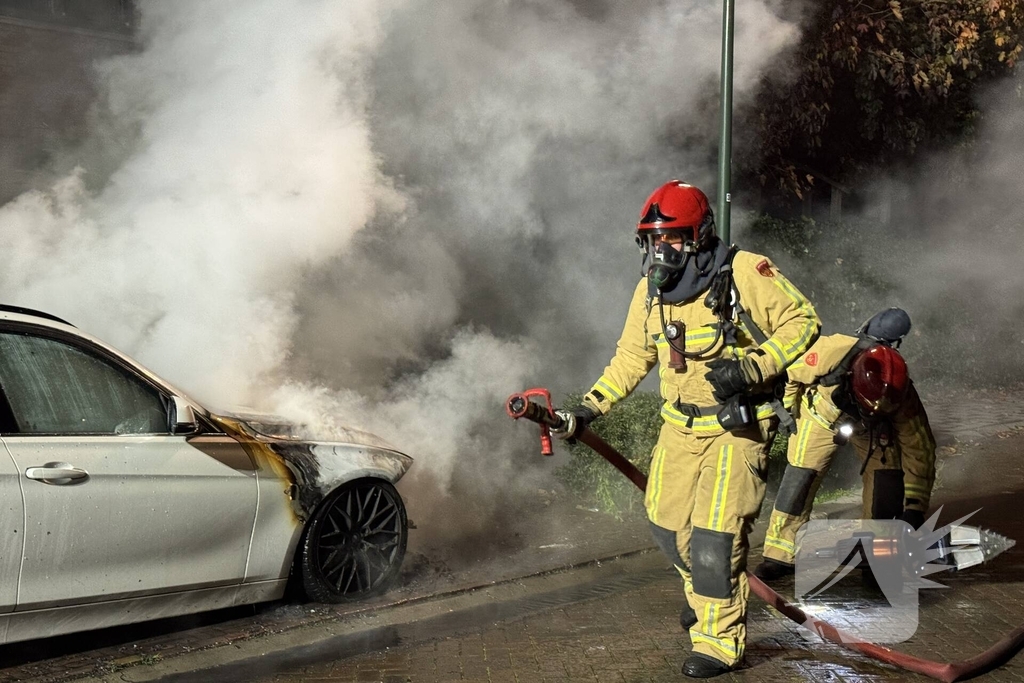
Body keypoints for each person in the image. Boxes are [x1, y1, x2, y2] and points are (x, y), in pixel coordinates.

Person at [554, 180, 819, 678]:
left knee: (715, 537)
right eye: (653, 240)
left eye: (671, 238)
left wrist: (754, 367)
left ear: (699, 235)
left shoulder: (744, 272)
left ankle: (720, 641)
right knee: (665, 522)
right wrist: (590, 407)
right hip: (679, 430)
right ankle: (706, 597)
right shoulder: (650, 292)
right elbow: (633, 356)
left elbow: (802, 324)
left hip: (735, 431)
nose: (661, 250)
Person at [753, 308, 938, 582]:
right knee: (800, 478)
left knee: (885, 483)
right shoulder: (834, 350)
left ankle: (877, 558)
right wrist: (788, 411)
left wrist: (914, 508)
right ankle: (780, 554)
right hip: (820, 417)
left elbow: (920, 450)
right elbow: (792, 374)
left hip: (871, 430)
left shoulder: (901, 395)